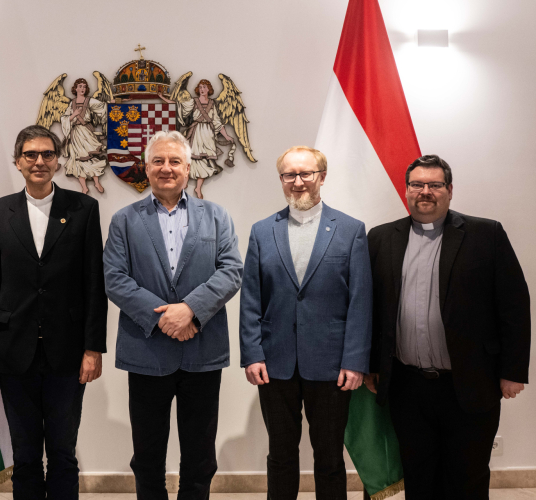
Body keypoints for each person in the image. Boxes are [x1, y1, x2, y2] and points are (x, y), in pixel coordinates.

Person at [364, 155, 530, 499]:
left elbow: (514, 306)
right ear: (406, 190)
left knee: (467, 478)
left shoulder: (486, 234)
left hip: (470, 383)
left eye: (435, 185)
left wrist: (513, 371)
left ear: (450, 190)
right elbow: (372, 310)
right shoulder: (380, 238)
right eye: (417, 184)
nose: (425, 191)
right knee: (418, 477)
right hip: (407, 387)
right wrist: (371, 366)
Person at [103, 130, 243, 500]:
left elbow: (231, 271)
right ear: (146, 168)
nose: (167, 168)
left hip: (203, 350)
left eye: (175, 161)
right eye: (159, 161)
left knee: (200, 456)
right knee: (147, 456)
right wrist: (163, 318)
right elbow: (114, 279)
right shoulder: (124, 220)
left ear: (188, 168)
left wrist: (190, 310)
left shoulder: (217, 217)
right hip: (146, 351)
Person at [0, 125, 107, 500]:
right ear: (18, 162)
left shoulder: (83, 209)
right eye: (30, 154)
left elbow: (94, 282)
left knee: (63, 453)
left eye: (47, 154)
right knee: (26, 454)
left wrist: (93, 348)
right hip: (13, 351)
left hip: (68, 352)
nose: (39, 161)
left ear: (58, 161)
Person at [239, 146, 372, 500]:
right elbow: (251, 298)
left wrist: (355, 361)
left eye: (306, 174)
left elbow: (360, 302)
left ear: (321, 177)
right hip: (274, 363)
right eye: (289, 175)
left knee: (329, 457)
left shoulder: (351, 230)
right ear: (281, 179)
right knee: (280, 455)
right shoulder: (262, 231)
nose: (297, 182)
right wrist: (252, 354)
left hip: (332, 365)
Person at [159, 80, 235, 199]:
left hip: (208, 134)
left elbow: (217, 122)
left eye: (204, 87)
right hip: (196, 132)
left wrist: (226, 136)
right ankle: (185, 182)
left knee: (204, 161)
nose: (202, 89)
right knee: (190, 158)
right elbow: (178, 105)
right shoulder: (193, 101)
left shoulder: (212, 103)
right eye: (200, 87)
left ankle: (198, 187)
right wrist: (163, 98)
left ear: (208, 89)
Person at [61, 78, 108, 194]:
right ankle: (84, 187)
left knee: (91, 156)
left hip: (87, 132)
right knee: (78, 159)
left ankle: (96, 182)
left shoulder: (89, 101)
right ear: (75, 88)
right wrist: (74, 115)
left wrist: (111, 103)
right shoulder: (72, 103)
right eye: (80, 86)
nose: (82, 88)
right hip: (76, 134)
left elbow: (102, 107)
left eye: (84, 86)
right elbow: (64, 118)